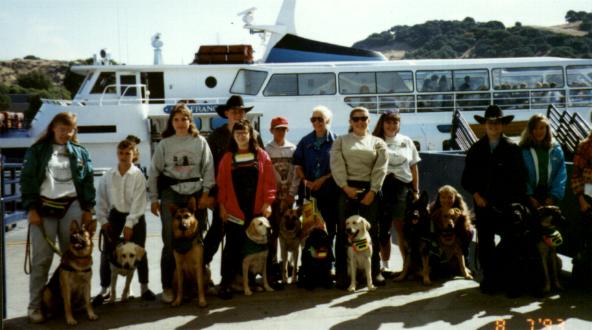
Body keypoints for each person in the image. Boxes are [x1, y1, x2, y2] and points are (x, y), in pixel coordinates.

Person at [20, 112, 95, 323]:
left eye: (70, 130)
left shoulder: (80, 152)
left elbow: (87, 181)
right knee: (42, 259)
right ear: (53, 128)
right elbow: (27, 179)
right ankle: (35, 306)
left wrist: (88, 207)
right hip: (44, 207)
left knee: (75, 257)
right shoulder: (37, 150)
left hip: (71, 205)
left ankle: (76, 302)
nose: (66, 134)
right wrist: (31, 208)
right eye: (62, 129)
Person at [147, 103, 215, 303]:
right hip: (172, 193)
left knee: (197, 240)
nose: (180, 123)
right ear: (172, 122)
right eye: (176, 119)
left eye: (184, 119)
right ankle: (168, 286)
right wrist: (153, 199)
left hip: (194, 192)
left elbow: (208, 169)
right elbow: (154, 172)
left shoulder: (200, 141)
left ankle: (200, 283)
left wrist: (205, 193)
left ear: (190, 121)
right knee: (170, 241)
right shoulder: (164, 144)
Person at [461, 105, 526, 294]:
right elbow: (467, 179)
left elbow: (520, 178)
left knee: (511, 242)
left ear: (502, 125)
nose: (493, 127)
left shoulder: (512, 148)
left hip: (507, 204)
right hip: (483, 204)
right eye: (490, 123)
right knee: (486, 243)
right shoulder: (476, 149)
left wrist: (514, 202)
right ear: (485, 125)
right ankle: (490, 279)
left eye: (497, 123)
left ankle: (510, 280)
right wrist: (476, 195)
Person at [216, 119, 277, 299]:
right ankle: (226, 283)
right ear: (233, 136)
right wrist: (222, 207)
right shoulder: (227, 158)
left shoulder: (262, 155)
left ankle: (257, 280)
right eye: (238, 133)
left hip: (256, 210)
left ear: (251, 135)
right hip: (234, 211)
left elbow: (269, 183)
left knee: (259, 246)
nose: (241, 136)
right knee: (232, 247)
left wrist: (268, 203)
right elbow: (222, 185)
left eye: (244, 133)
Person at [202, 95, 264, 269]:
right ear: (227, 113)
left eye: (241, 111)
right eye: (234, 111)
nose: (238, 114)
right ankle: (201, 268)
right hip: (224, 194)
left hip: (248, 195)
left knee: (242, 235)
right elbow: (208, 166)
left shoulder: (254, 135)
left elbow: (263, 165)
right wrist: (211, 194)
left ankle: (240, 275)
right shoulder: (215, 136)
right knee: (217, 232)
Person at [331, 106, 388, 288]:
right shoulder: (341, 141)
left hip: (369, 188)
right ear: (350, 121)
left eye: (363, 118)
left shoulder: (378, 142)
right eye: (355, 119)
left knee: (371, 231)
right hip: (346, 187)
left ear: (368, 120)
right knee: (343, 232)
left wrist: (372, 191)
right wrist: (345, 187)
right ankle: (342, 274)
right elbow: (336, 164)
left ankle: (374, 272)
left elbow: (381, 168)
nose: (360, 122)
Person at [95, 138, 155, 303]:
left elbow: (139, 202)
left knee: (140, 252)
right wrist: (103, 219)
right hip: (115, 215)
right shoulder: (109, 175)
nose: (123, 156)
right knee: (107, 252)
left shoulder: (138, 176)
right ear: (117, 154)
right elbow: (101, 198)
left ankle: (144, 288)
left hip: (135, 216)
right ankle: (104, 289)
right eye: (120, 153)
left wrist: (130, 224)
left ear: (134, 154)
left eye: (127, 153)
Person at [371, 109, 420, 274]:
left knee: (401, 227)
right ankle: (385, 266)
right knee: (383, 229)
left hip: (402, 187)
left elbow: (413, 166)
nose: (392, 126)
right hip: (383, 186)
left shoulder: (406, 141)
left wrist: (416, 190)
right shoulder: (375, 141)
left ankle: (407, 266)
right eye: (388, 122)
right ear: (382, 123)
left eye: (395, 122)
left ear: (399, 124)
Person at [293, 106, 339, 243]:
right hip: (309, 192)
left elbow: (340, 168)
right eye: (313, 119)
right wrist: (305, 180)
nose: (316, 122)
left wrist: (323, 180)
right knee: (308, 227)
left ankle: (328, 260)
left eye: (320, 119)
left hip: (329, 191)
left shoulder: (337, 141)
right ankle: (310, 261)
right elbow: (297, 165)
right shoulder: (305, 141)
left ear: (328, 120)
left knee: (330, 227)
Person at [265, 116, 300, 282]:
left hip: (289, 197)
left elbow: (296, 174)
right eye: (277, 129)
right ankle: (273, 266)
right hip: (274, 197)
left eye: (283, 129)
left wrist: (291, 195)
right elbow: (267, 175)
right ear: (271, 130)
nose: (280, 132)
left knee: (291, 233)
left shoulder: (293, 149)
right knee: (273, 233)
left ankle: (292, 267)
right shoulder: (267, 150)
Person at [519, 114, 567, 210]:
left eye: (542, 128)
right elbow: (520, 175)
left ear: (547, 129)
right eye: (535, 128)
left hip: (550, 195)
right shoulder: (523, 150)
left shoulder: (556, 149)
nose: (539, 131)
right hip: (530, 196)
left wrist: (554, 196)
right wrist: (528, 196)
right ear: (530, 130)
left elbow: (561, 174)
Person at [429, 185, 473, 255]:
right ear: (439, 199)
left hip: (457, 242)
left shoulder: (461, 212)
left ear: (455, 198)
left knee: (470, 230)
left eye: (450, 198)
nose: (446, 200)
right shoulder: (434, 211)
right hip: (439, 241)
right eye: (443, 197)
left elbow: (467, 229)